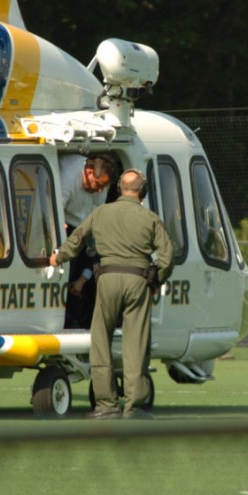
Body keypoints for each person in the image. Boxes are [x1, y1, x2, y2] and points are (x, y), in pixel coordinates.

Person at [50, 169, 174, 419]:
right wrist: (156, 280)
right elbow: (167, 257)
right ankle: (134, 406)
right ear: (142, 191)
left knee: (100, 340)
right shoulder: (150, 218)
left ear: (119, 188)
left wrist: (57, 257)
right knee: (135, 343)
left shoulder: (100, 213)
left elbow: (77, 239)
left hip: (106, 279)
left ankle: (106, 406)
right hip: (137, 280)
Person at [58, 153, 119, 328]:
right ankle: (67, 322)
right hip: (65, 225)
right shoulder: (68, 178)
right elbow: (55, 212)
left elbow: (97, 221)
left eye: (104, 187)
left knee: (97, 269)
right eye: (98, 185)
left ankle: (88, 323)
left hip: (84, 229)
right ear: (89, 171)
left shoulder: (101, 186)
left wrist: (84, 277)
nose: (101, 191)